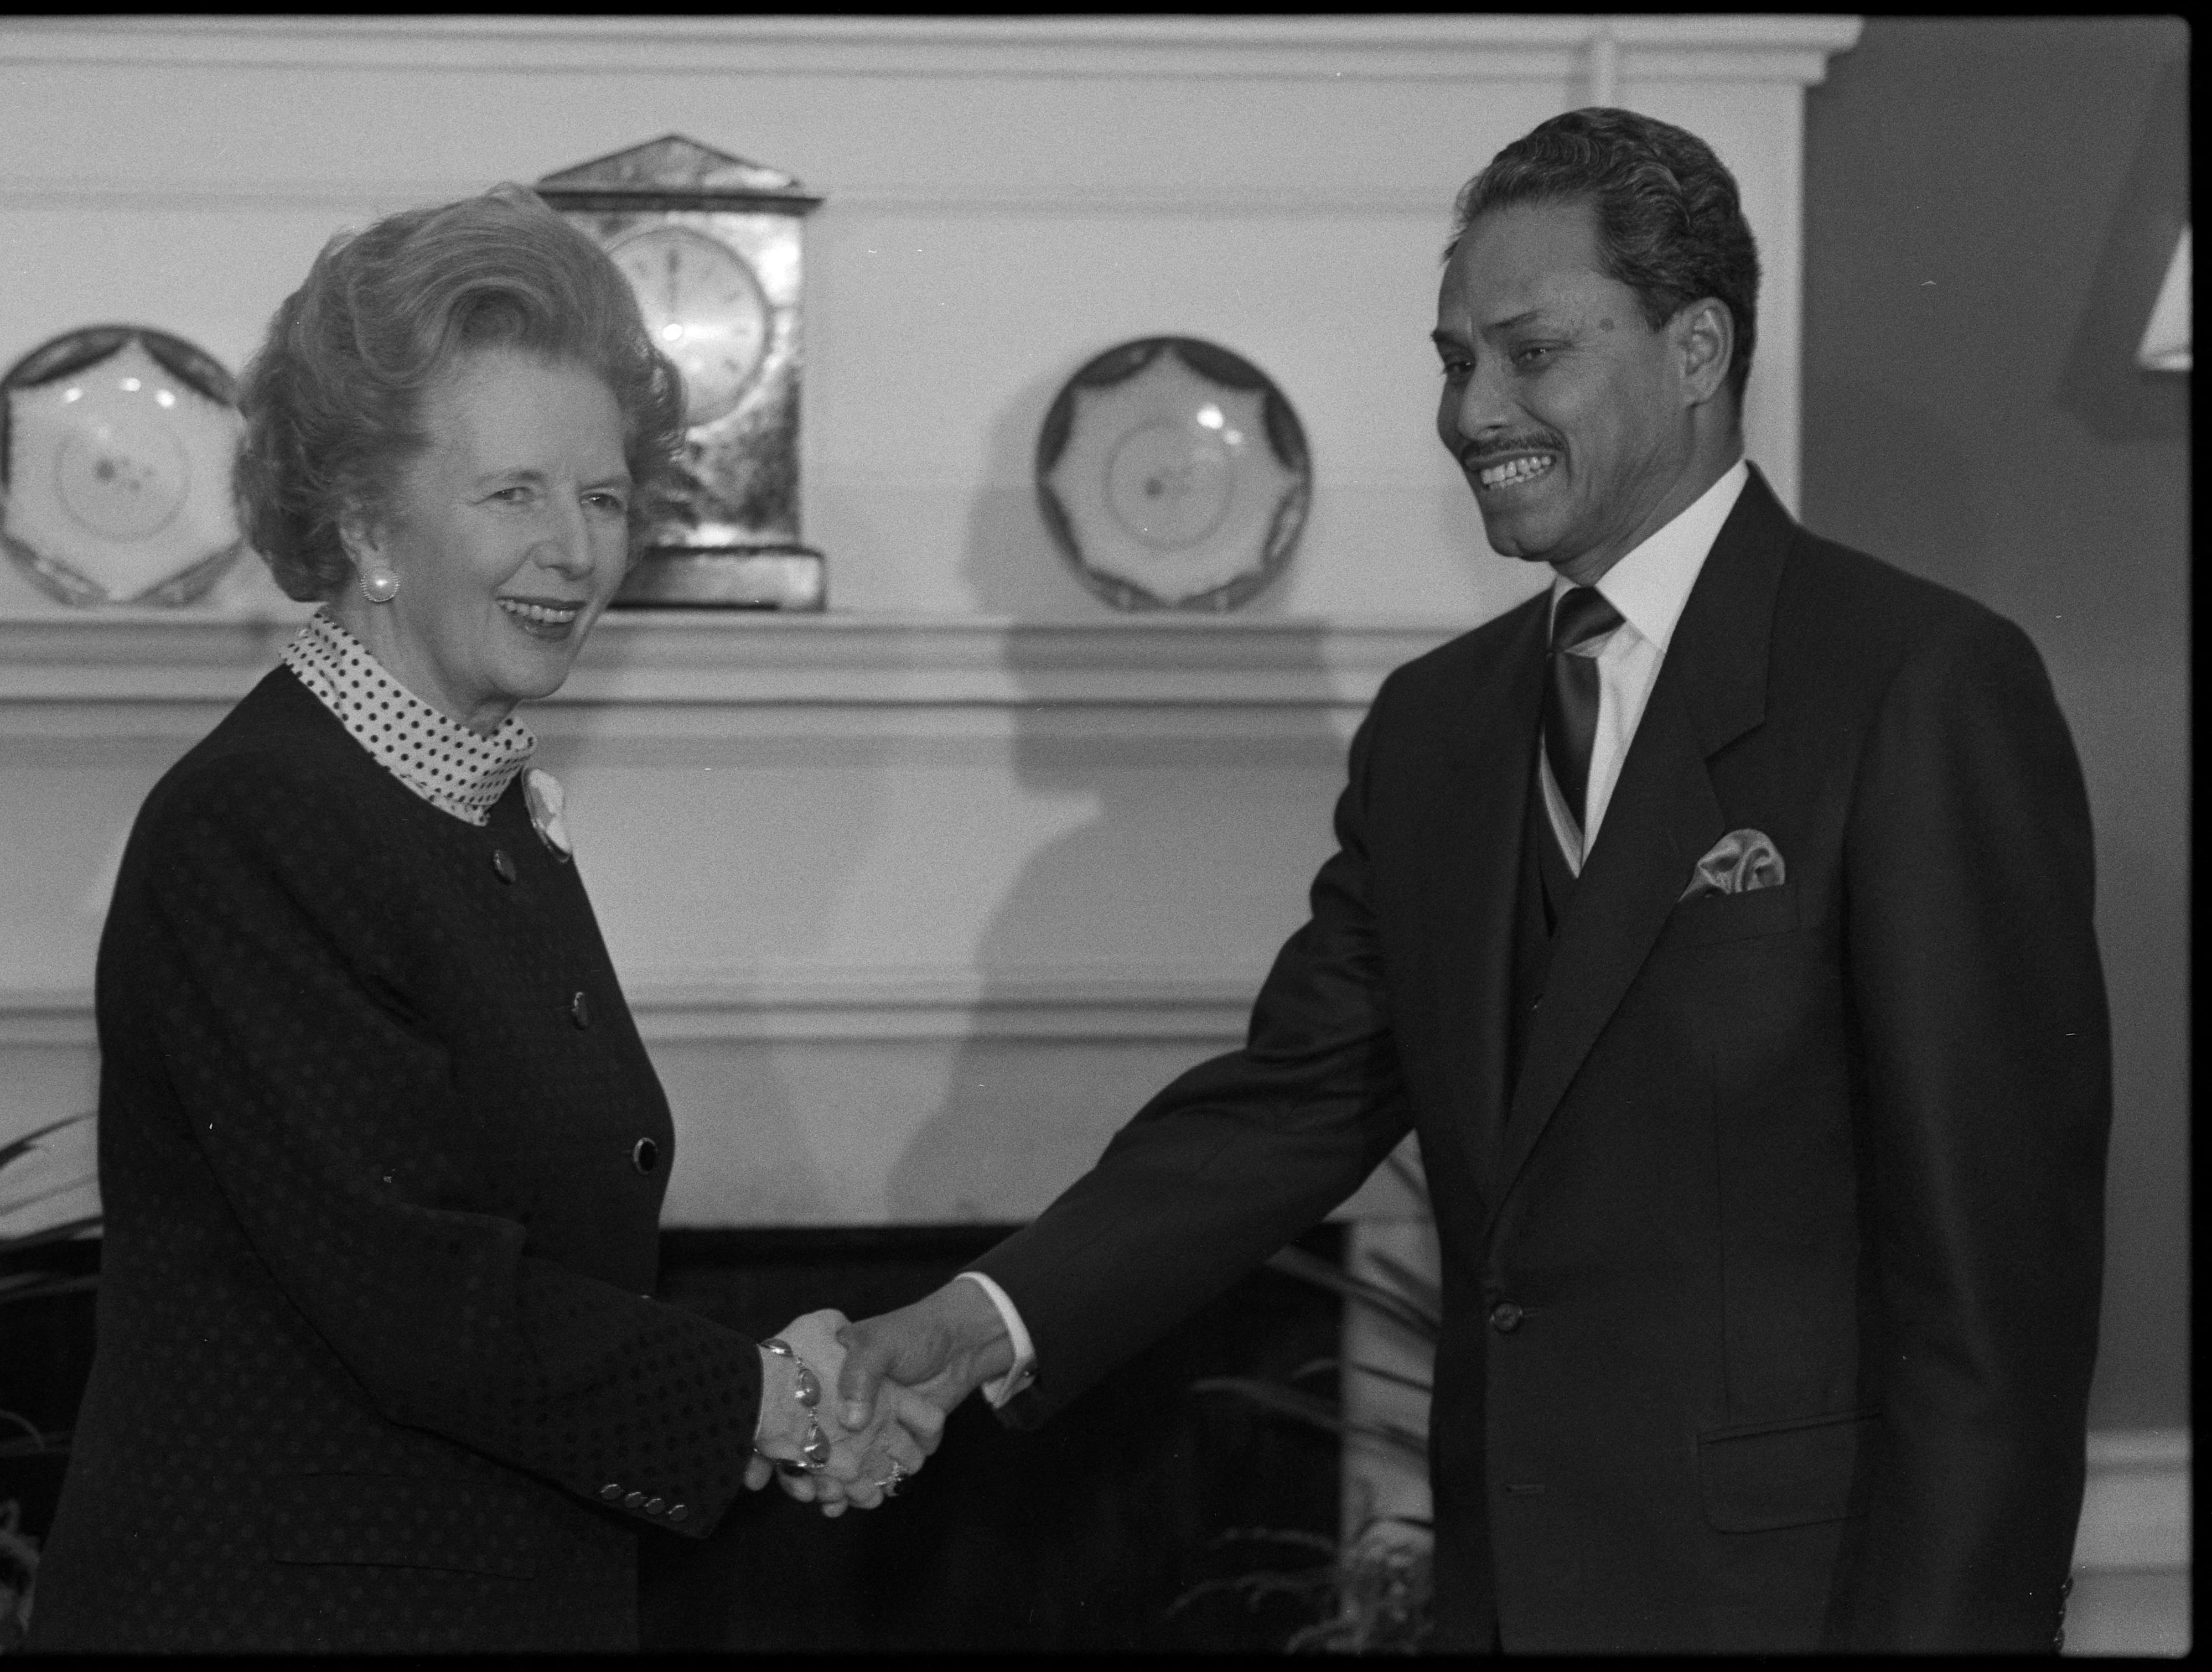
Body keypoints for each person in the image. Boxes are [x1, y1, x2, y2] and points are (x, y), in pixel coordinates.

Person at [827, 108, 2112, 1654]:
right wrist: (979, 1325)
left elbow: (1996, 1294)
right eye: (1452, 360)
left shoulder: (1916, 687)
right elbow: (1289, 1103)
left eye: (1527, 354)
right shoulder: (1436, 730)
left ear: (1694, 349)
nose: (1468, 409)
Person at [27, 184, 933, 1655]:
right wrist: (769, 1400)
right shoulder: (260, 822)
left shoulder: (477, 816)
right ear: (366, 522)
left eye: (605, 497)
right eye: (514, 493)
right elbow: (416, 1293)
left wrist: (767, 1397)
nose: (576, 554)